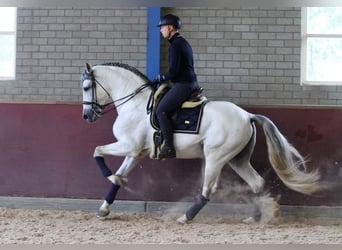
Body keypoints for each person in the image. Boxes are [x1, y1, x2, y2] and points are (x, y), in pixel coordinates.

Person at [151, 14, 199, 158]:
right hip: (189, 82)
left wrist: (162, 77)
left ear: (170, 28)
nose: (161, 30)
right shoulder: (182, 42)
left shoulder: (175, 46)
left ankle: (169, 147)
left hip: (184, 85)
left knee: (161, 111)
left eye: (162, 28)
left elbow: (174, 71)